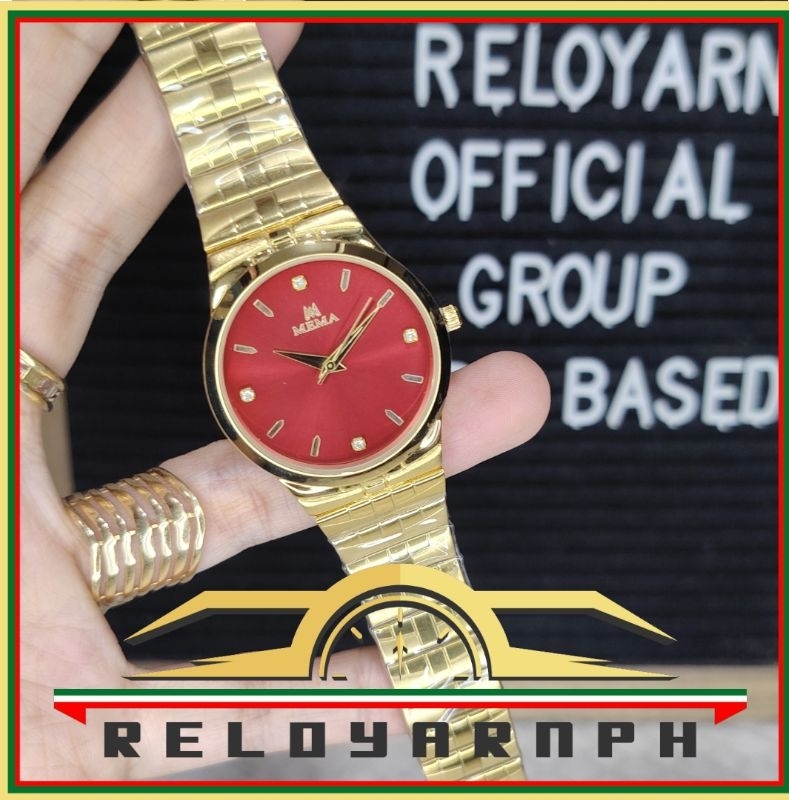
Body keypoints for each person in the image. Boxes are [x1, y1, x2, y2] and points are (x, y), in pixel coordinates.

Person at [18, 21, 550, 780]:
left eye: (336, 354)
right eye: (319, 359)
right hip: (337, 447)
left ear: (431, 325)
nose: (328, 363)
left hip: (378, 447)